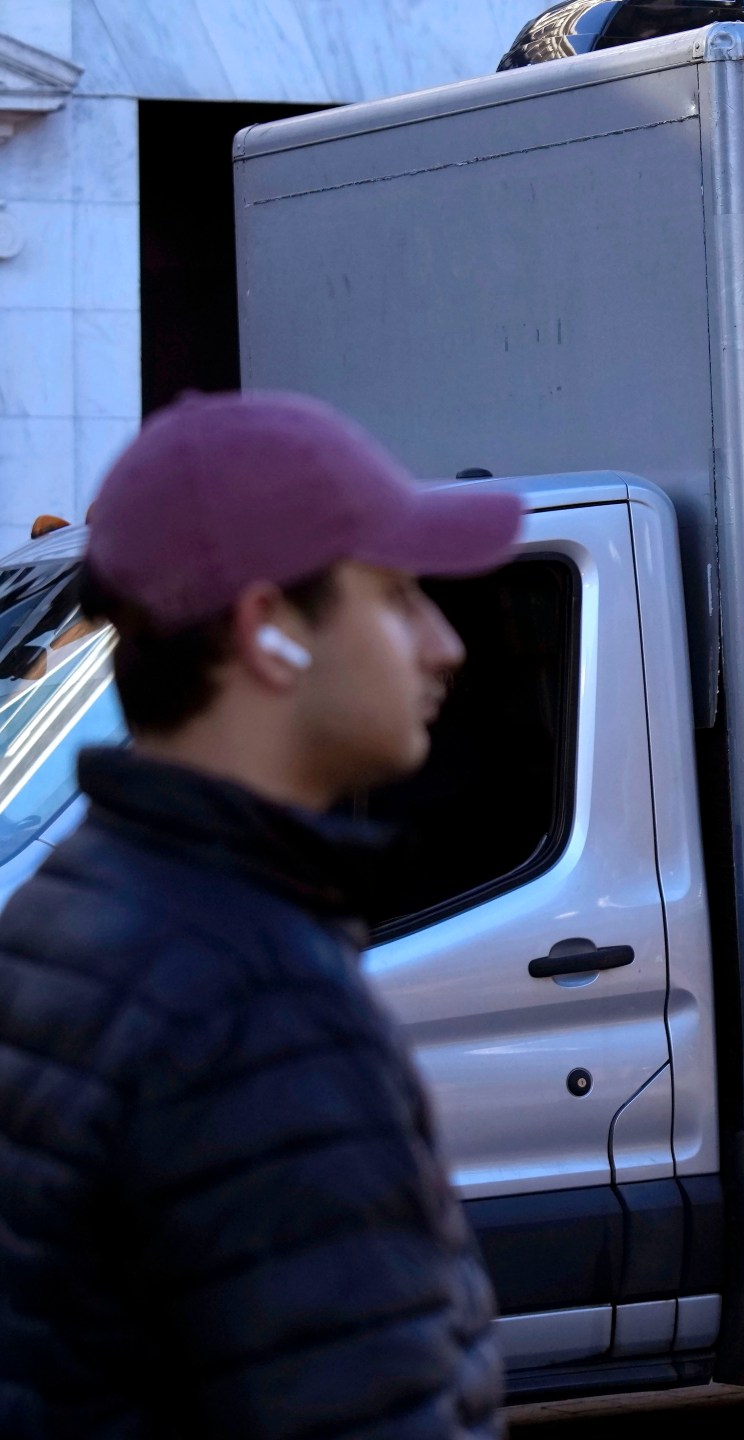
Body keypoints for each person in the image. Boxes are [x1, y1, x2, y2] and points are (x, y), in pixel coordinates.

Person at [0, 392, 523, 1438]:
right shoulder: (256, 1001)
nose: (443, 644)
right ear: (267, 631)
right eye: (396, 596)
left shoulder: (66, 915)